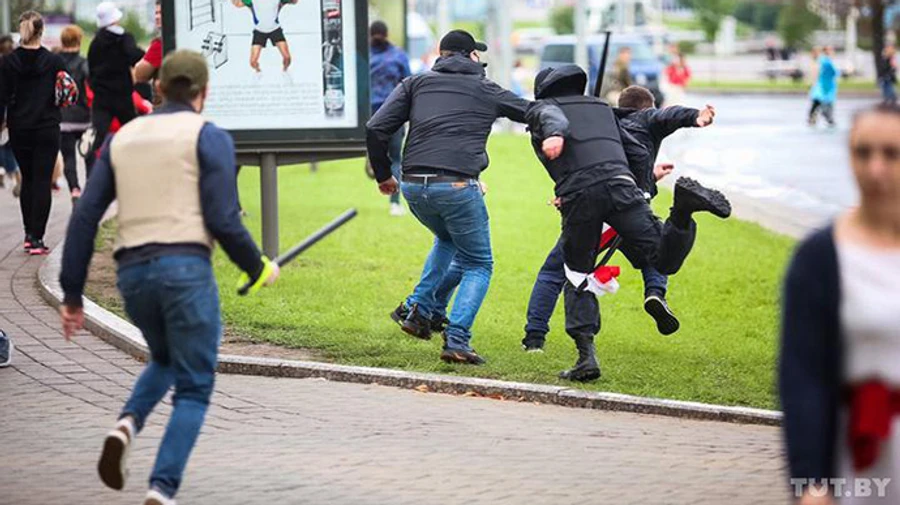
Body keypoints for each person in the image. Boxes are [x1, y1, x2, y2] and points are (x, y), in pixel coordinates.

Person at [59, 50, 279, 505]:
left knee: (164, 357)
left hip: (133, 275)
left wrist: (73, 295)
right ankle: (162, 488)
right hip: (185, 270)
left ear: (157, 87)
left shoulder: (125, 138)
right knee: (195, 386)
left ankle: (127, 425)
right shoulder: (208, 135)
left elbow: (85, 219)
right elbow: (222, 218)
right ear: (204, 92)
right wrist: (257, 266)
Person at [367, 29, 568, 365]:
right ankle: (457, 339)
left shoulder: (414, 84)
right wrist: (559, 124)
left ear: (441, 54)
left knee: (447, 240)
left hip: (414, 185)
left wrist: (385, 175)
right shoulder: (484, 88)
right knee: (478, 264)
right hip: (458, 186)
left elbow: (376, 128)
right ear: (472, 56)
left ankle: (419, 310)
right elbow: (533, 112)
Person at [526, 65, 731, 381]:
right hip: (623, 186)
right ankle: (682, 211)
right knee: (663, 260)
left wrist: (557, 148)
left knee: (577, 274)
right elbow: (637, 141)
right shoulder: (603, 111)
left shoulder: (544, 112)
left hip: (580, 196)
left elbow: (552, 127)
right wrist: (644, 182)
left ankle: (586, 358)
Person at [780, 103, 900, 505]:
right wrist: (810, 483)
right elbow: (802, 376)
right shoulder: (820, 257)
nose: (876, 169)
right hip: (861, 461)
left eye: (891, 153)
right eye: (863, 153)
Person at [0, 11, 68, 256]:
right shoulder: (54, 62)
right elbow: (66, 92)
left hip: (19, 128)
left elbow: (2, 97)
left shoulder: (7, 62)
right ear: (41, 32)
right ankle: (37, 237)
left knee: (27, 178)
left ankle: (28, 233)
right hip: (47, 127)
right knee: (42, 181)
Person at [87, 1, 145, 176]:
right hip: (122, 95)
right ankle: (138, 168)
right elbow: (134, 56)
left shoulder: (95, 42)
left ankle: (92, 170)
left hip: (102, 97)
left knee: (97, 134)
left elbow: (90, 69)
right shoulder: (124, 38)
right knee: (132, 131)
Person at [368, 20, 410, 217]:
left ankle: (372, 161)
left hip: (368, 115)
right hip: (393, 116)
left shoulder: (363, 56)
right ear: (387, 34)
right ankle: (395, 202)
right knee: (396, 158)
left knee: (383, 154)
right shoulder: (398, 55)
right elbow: (408, 84)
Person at [59, 24, 90, 204]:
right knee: (89, 154)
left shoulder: (55, 63)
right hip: (84, 118)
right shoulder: (84, 63)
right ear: (79, 41)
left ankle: (75, 189)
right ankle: (90, 188)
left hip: (63, 118)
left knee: (68, 157)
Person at [231, 0, 299, 73]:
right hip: (259, 32)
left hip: (275, 30)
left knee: (287, 58)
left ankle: (285, 70)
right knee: (253, 62)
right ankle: (258, 71)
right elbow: (237, 4)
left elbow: (294, 1)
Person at [0, 34, 20, 196]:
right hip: (14, 108)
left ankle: (6, 171)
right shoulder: (16, 62)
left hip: (5, 107)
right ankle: (13, 173)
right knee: (10, 144)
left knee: (3, 144)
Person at [809, 46, 838, 128]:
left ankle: (826, 117)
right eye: (831, 51)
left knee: (820, 101)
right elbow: (832, 72)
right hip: (825, 84)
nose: (833, 52)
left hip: (826, 84)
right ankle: (828, 117)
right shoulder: (825, 61)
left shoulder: (825, 60)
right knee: (823, 101)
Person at [807, 47, 822, 125]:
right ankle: (812, 117)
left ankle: (813, 116)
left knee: (818, 101)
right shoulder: (812, 62)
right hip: (815, 84)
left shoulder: (820, 61)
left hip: (820, 84)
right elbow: (811, 74)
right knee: (816, 101)